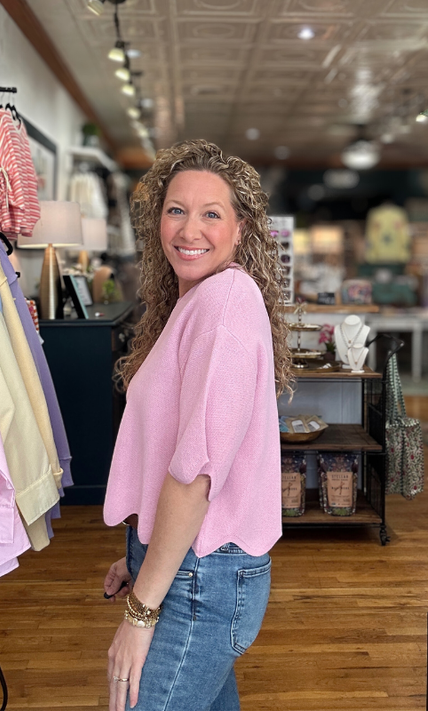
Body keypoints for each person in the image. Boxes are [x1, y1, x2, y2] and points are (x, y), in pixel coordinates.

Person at [103, 139, 292, 711]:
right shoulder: (196, 302)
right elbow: (171, 450)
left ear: (241, 231)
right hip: (189, 567)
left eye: (212, 214)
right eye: (176, 210)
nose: (190, 229)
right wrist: (141, 552)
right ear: (157, 219)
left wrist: (141, 611)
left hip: (200, 581)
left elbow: (196, 475)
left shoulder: (226, 301)